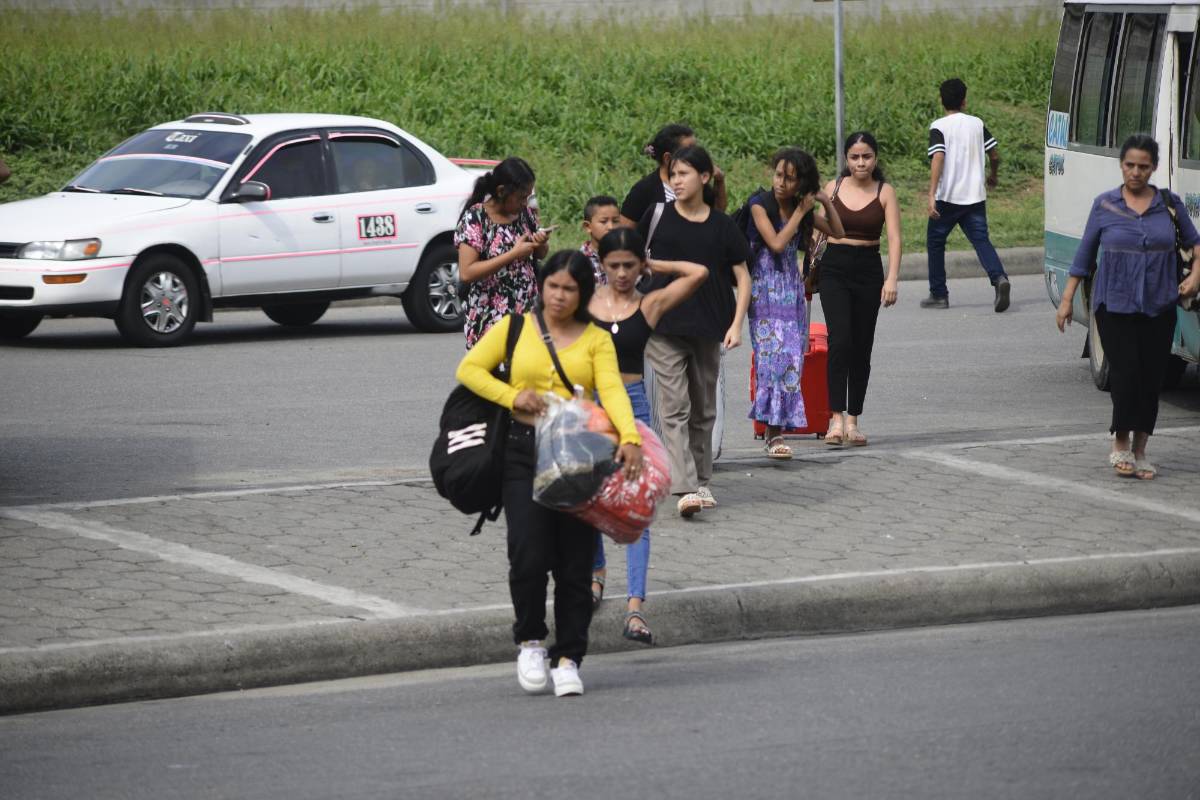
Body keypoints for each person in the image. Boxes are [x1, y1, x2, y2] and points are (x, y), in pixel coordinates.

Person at [456, 250, 643, 697]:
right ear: (541, 286)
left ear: (582, 294)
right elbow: (469, 370)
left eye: (569, 289)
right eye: (552, 286)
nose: (558, 296)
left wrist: (631, 437)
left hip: (581, 455)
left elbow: (613, 391)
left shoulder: (596, 339)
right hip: (524, 453)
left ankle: (569, 657)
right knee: (528, 554)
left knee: (576, 563)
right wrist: (511, 397)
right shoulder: (516, 327)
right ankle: (531, 641)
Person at [587, 227, 708, 643]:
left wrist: (657, 264)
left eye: (629, 265)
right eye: (613, 265)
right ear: (601, 265)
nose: (621, 273)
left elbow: (699, 274)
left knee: (635, 509)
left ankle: (635, 608)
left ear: (641, 265)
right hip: (593, 409)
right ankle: (596, 574)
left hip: (634, 407)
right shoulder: (587, 303)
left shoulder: (650, 304)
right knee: (590, 499)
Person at [1056, 134, 1200, 480]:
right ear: (1121, 165)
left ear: (1152, 168)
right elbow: (1084, 256)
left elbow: (1195, 244)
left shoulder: (1168, 204)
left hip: (1159, 304)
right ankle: (1120, 444)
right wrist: (1066, 301)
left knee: (1152, 380)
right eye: (1130, 165)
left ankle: (1140, 450)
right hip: (1114, 305)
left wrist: (1195, 278)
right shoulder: (1105, 206)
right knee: (1125, 376)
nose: (1136, 172)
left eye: (1143, 166)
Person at [638, 144, 750, 517]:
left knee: (703, 409)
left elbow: (742, 275)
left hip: (709, 327)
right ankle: (684, 486)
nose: (676, 181)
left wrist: (736, 324)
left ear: (704, 177)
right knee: (675, 405)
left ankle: (702, 480)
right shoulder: (656, 217)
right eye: (673, 175)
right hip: (663, 327)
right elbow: (633, 262)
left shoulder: (723, 225)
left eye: (684, 174)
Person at [746, 148, 844, 458]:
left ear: (801, 182)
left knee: (790, 359)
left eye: (789, 179)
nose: (781, 183)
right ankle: (772, 433)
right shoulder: (759, 205)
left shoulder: (800, 209)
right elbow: (775, 243)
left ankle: (777, 431)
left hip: (791, 292)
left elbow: (838, 232)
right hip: (763, 292)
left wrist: (826, 201)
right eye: (778, 175)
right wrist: (801, 213)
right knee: (770, 361)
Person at [817, 132, 902, 446]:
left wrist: (891, 279)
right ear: (846, 159)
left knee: (861, 347)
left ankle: (853, 419)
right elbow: (819, 233)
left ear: (875, 159)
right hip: (835, 268)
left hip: (868, 269)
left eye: (866, 156)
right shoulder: (833, 188)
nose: (861, 163)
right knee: (839, 341)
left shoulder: (885, 191)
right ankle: (835, 417)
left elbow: (894, 238)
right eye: (854, 157)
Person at [922, 77, 1010, 312]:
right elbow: (994, 155)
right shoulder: (977, 124)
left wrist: (931, 193)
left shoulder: (938, 126)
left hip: (947, 198)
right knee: (981, 240)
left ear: (942, 101)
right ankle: (999, 278)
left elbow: (938, 156)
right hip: (975, 197)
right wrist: (993, 176)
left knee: (935, 242)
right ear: (964, 101)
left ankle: (939, 294)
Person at [454, 157, 551, 348]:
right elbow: (467, 272)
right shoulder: (476, 218)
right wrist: (513, 254)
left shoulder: (525, 215)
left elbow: (539, 255)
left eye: (528, 197)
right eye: (521, 197)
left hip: (527, 314)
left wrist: (540, 244)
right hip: (490, 317)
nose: (525, 202)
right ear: (501, 191)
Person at [620, 124, 727, 228]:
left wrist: (719, 180)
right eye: (688, 151)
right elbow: (623, 234)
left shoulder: (696, 183)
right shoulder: (644, 190)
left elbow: (717, 214)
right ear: (667, 158)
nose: (696, 155)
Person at [579, 194, 621, 284]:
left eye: (615, 221)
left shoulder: (627, 255)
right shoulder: (580, 261)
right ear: (587, 227)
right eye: (603, 221)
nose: (611, 227)